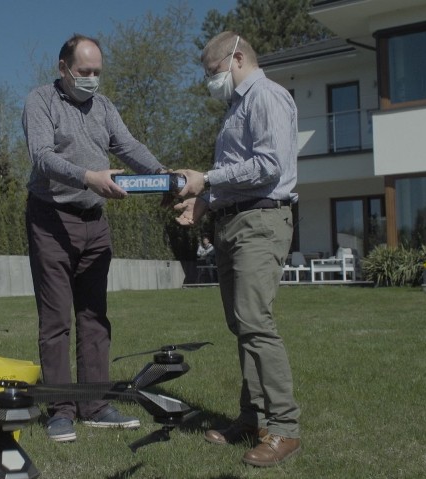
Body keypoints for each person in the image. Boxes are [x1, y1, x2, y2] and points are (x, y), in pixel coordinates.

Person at [22, 33, 168, 442]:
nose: (91, 79)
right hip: (50, 219)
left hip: (94, 221)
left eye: (97, 72)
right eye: (84, 71)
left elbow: (128, 146)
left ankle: (95, 404)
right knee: (55, 322)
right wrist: (89, 177)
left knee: (95, 319)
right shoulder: (40, 101)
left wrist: (165, 178)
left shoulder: (103, 107)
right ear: (63, 67)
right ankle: (60, 410)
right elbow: (41, 156)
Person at [173, 32, 302, 467]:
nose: (211, 81)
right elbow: (233, 175)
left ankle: (284, 428)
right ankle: (252, 417)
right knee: (242, 324)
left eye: (212, 73)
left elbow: (269, 166)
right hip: (233, 222)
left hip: (261, 221)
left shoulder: (267, 96)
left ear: (238, 58)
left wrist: (206, 180)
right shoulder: (236, 107)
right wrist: (202, 201)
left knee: (256, 323)